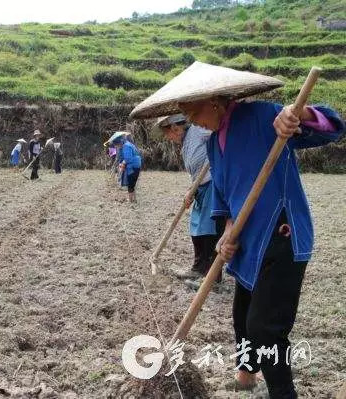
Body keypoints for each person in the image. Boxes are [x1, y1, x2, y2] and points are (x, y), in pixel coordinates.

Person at [131, 62, 345, 397]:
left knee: (266, 327)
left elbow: (333, 126)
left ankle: (282, 392)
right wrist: (228, 231)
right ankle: (246, 375)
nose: (190, 120)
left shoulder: (261, 116)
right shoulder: (215, 143)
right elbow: (222, 192)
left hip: (280, 234)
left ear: (214, 102)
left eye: (191, 110)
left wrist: (296, 115)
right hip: (246, 242)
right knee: (242, 316)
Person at [157, 114, 223, 283]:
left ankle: (212, 276)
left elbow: (220, 131)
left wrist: (216, 151)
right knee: (196, 227)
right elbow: (195, 172)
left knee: (208, 228)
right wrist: (190, 192)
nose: (168, 138)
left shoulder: (198, 129)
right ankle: (198, 269)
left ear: (175, 128)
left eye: (167, 134)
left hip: (212, 184)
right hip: (199, 186)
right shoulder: (185, 143)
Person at [109, 131, 141, 203]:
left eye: (116, 145)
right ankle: (134, 199)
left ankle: (130, 200)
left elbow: (128, 158)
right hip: (135, 165)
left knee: (130, 184)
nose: (116, 147)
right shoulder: (127, 144)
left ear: (119, 143)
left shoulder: (126, 146)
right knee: (132, 184)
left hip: (133, 166)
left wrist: (122, 164)